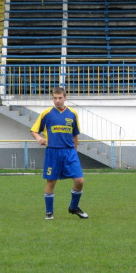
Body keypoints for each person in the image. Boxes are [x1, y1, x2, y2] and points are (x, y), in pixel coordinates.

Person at [31, 87, 88, 220]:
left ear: (65, 98)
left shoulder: (72, 113)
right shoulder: (47, 113)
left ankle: (73, 207)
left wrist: (75, 150)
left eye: (60, 98)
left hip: (70, 152)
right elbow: (34, 130)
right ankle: (49, 212)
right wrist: (39, 138)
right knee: (51, 182)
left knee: (79, 180)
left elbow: (75, 134)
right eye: (55, 98)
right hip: (53, 152)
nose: (57, 101)